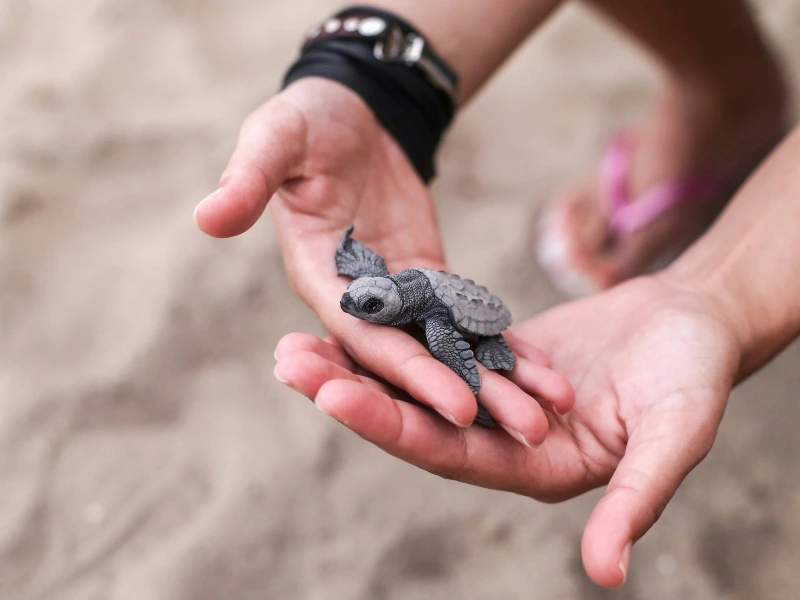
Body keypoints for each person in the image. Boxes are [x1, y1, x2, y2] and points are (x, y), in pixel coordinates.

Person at [193, 0, 794, 588]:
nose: (356, 306)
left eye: (367, 305)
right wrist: (371, 79)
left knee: (476, 362)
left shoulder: (430, 318)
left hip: (478, 316)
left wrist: (725, 294)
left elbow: (451, 346)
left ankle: (733, 108)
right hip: (435, 288)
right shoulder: (380, 280)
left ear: (396, 307)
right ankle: (728, 92)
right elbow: (364, 276)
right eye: (363, 299)